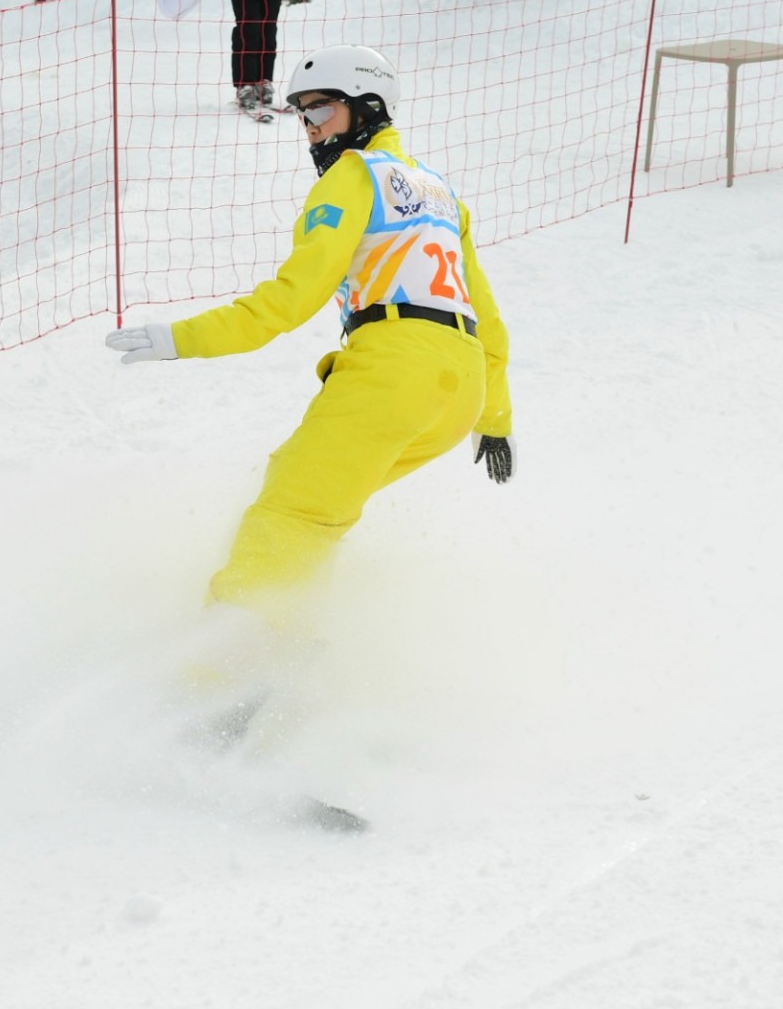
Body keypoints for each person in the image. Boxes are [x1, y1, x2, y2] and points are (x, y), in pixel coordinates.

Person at [106, 44, 515, 632]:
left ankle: (225, 675)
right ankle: (296, 636)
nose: (310, 128)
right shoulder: (440, 192)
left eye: (322, 111)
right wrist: (493, 418)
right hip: (459, 391)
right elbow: (489, 321)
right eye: (302, 115)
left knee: (291, 514)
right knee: (315, 497)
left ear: (367, 107)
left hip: (392, 375)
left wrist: (180, 339)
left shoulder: (353, 177)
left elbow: (289, 301)